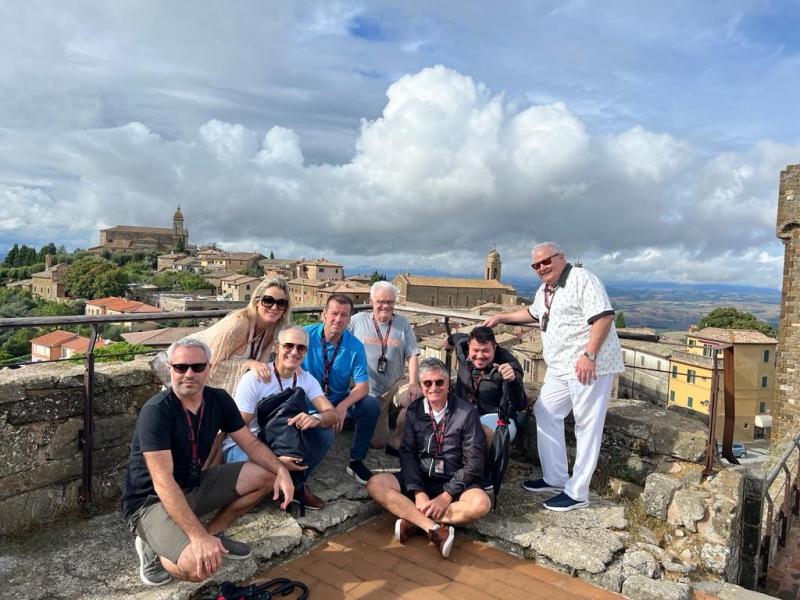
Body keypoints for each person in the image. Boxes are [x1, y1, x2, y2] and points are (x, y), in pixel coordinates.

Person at [121, 337, 296, 586]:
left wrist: (281, 470)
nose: (189, 374)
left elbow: (252, 444)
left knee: (266, 475)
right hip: (149, 502)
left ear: (209, 368)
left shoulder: (218, 400)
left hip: (193, 484)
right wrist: (197, 536)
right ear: (170, 369)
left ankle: (214, 534)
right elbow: (162, 481)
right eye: (180, 367)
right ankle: (152, 546)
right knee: (198, 567)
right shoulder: (157, 411)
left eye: (197, 367)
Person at [484, 242, 623, 511]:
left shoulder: (582, 278)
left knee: (586, 426)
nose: (541, 268)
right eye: (536, 265)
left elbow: (604, 318)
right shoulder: (546, 289)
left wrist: (589, 355)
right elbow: (533, 313)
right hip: (560, 368)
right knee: (545, 410)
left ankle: (578, 492)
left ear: (562, 258)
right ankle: (556, 478)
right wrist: (501, 317)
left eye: (547, 261)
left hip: (588, 366)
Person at [366, 358, 491, 558]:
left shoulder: (466, 413)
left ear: (448, 384)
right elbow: (407, 452)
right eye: (427, 383)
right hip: (422, 476)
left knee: (481, 504)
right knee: (375, 484)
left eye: (439, 382)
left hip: (454, 479)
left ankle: (413, 520)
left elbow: (474, 462)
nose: (434, 388)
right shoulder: (414, 411)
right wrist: (418, 491)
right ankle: (433, 528)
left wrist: (447, 495)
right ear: (422, 386)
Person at [223, 325, 338, 510]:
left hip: (283, 442)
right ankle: (275, 480)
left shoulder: (305, 379)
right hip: (247, 445)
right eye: (288, 346)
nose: (294, 352)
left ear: (306, 352)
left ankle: (296, 482)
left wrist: (316, 418)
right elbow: (237, 429)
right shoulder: (255, 379)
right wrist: (275, 461)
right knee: (253, 465)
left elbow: (332, 414)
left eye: (300, 348)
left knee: (325, 432)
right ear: (277, 347)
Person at [303, 294, 380, 485]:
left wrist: (343, 407)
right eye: (334, 313)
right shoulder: (305, 336)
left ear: (349, 318)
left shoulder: (354, 346)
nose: (338, 319)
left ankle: (356, 460)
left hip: (337, 400)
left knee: (371, 405)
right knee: (324, 434)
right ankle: (298, 476)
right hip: (306, 402)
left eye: (344, 315)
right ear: (324, 315)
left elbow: (363, 386)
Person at [348, 281, 421, 454]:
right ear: (371, 301)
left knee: (415, 400)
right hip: (366, 389)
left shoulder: (402, 323)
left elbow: (412, 355)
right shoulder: (357, 321)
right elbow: (337, 339)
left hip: (394, 386)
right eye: (381, 301)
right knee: (377, 443)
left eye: (390, 302)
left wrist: (413, 382)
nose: (385, 306)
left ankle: (398, 439)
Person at [201, 276, 292, 391]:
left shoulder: (274, 328)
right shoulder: (238, 324)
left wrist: (289, 366)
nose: (274, 307)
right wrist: (249, 364)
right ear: (257, 301)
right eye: (268, 301)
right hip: (182, 368)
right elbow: (211, 367)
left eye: (281, 303)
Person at [448, 326, 527, 448]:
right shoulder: (462, 348)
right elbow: (457, 337)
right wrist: (448, 342)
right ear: (469, 346)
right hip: (465, 414)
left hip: (498, 418)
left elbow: (520, 404)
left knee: (480, 436)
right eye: (475, 350)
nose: (479, 356)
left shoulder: (508, 365)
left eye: (485, 351)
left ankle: (488, 467)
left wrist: (513, 380)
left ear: (494, 348)